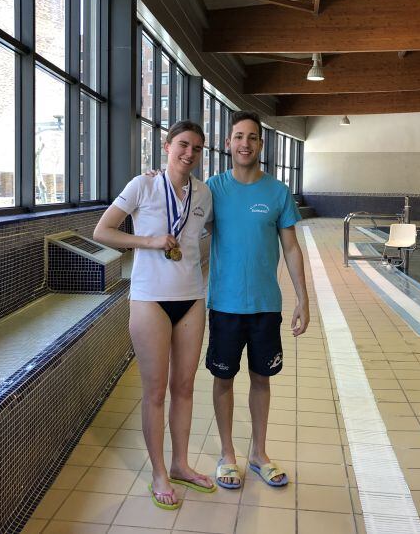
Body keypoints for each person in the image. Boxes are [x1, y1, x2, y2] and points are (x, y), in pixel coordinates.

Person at [93, 120, 215, 511]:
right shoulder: (142, 184)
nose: (189, 153)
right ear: (166, 146)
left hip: (192, 298)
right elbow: (103, 231)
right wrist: (147, 241)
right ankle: (159, 471)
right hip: (149, 299)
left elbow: (206, 236)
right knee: (156, 390)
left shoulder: (204, 193)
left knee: (185, 388)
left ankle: (180, 464)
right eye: (183, 144)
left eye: (197, 148)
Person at [206, 111, 310, 490]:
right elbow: (182, 209)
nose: (245, 143)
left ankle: (259, 454)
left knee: (261, 379)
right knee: (223, 379)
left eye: (252, 137)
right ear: (229, 143)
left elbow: (292, 248)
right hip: (224, 305)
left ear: (261, 145)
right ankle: (227, 454)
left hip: (266, 304)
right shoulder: (213, 189)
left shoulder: (277, 192)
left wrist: (303, 298)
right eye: (238, 136)